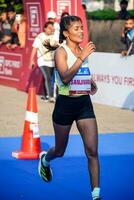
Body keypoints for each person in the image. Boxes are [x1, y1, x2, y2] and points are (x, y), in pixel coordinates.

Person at [38, 16, 101, 200]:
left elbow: (79, 74)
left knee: (92, 151)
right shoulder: (61, 51)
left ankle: (96, 195)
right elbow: (65, 78)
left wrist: (90, 83)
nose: (81, 31)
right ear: (66, 33)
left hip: (84, 105)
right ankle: (45, 160)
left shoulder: (82, 50)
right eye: (76, 28)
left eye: (82, 27)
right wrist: (82, 58)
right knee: (59, 150)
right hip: (65, 105)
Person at [29, 21, 59, 102]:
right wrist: (31, 60)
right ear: (45, 28)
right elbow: (34, 48)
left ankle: (47, 95)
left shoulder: (54, 37)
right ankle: (50, 96)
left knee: (54, 79)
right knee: (48, 77)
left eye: (52, 28)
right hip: (42, 61)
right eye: (49, 28)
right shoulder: (40, 37)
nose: (51, 29)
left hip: (52, 61)